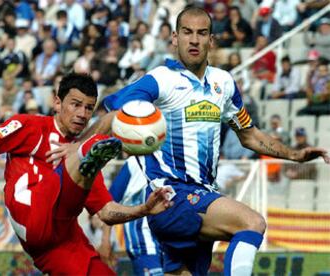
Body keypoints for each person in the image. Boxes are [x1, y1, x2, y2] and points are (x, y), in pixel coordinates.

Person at [47, 7, 329, 275]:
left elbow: (249, 134)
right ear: (175, 37)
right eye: (187, 32)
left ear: (211, 39)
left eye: (201, 33)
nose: (194, 40)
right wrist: (78, 147)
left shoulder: (224, 84)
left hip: (200, 196)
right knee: (252, 223)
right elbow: (115, 115)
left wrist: (296, 155)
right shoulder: (161, 80)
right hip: (173, 196)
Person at [0, 73, 172, 275]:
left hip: (62, 243)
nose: (82, 113)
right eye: (76, 104)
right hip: (34, 218)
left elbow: (106, 212)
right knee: (113, 120)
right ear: (57, 102)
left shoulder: (84, 167)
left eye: (89, 108)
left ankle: (105, 133)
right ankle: (120, 124)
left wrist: (143, 209)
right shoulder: (30, 126)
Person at [100, 156, 164, 276]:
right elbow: (109, 203)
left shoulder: (173, 160)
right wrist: (105, 241)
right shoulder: (133, 163)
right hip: (143, 243)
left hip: (170, 242)